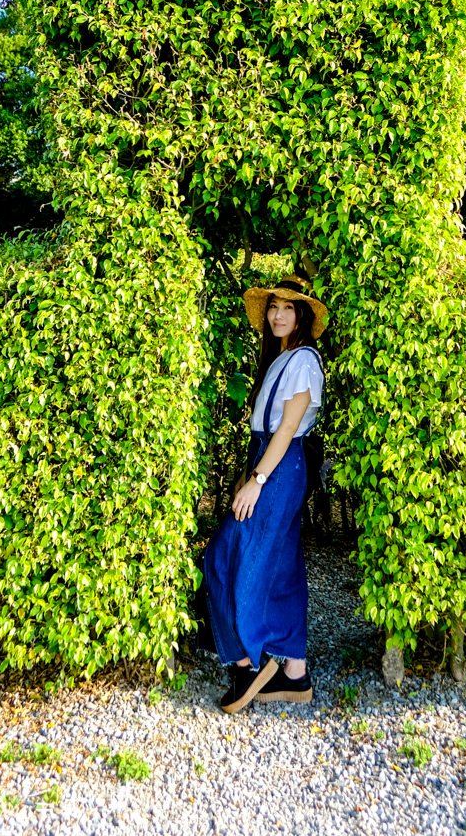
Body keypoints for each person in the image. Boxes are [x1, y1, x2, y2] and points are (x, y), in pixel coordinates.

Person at [202, 274, 327, 714]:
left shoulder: (305, 360)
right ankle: (296, 671)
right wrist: (249, 472)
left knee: (226, 554)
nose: (278, 314)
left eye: (288, 308)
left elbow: (289, 427)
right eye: (274, 306)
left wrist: (257, 479)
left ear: (303, 315)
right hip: (270, 460)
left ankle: (248, 663)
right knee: (283, 566)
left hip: (279, 465)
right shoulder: (281, 358)